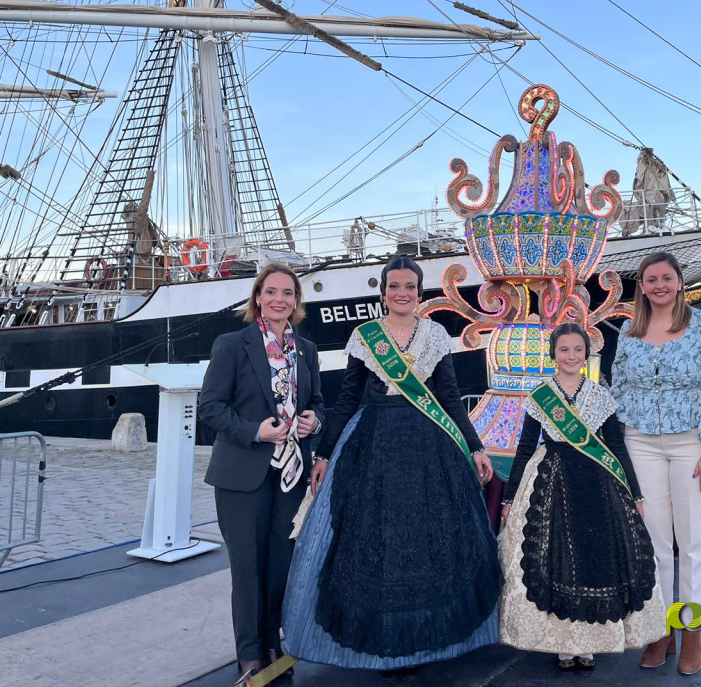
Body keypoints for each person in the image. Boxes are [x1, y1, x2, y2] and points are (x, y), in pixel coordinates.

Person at [281, 256, 499, 674]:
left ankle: (425, 641)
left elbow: (449, 397)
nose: (402, 293)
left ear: (419, 292)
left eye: (410, 287)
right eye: (394, 286)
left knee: (426, 539)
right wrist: (324, 454)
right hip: (375, 448)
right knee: (379, 540)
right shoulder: (365, 336)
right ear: (383, 293)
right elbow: (348, 398)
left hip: (428, 450)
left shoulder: (436, 334)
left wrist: (475, 447)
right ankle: (384, 639)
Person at [499, 322, 665, 673]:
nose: (571, 356)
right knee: (555, 561)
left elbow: (616, 446)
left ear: (586, 354)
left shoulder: (601, 396)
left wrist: (634, 493)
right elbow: (525, 448)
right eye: (564, 350)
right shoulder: (540, 396)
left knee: (593, 561)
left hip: (597, 484)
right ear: (553, 354)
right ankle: (563, 645)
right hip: (553, 483)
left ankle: (588, 644)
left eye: (578, 349)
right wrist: (509, 499)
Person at [611, 251, 701, 676]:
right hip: (641, 443)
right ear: (642, 286)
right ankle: (661, 630)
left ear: (680, 282)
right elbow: (619, 388)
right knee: (654, 546)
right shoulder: (630, 331)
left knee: (693, 544)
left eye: (666, 278)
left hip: (692, 444)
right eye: (651, 279)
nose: (659, 285)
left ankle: (691, 631)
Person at [200, 263, 325, 681]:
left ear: (296, 301)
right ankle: (250, 656)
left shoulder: (305, 350)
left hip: (289, 476)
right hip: (242, 476)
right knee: (248, 570)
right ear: (257, 297)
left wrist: (314, 422)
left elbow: (318, 403)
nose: (279, 300)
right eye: (271, 292)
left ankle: (274, 644)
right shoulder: (232, 345)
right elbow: (210, 407)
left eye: (287, 293)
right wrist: (256, 431)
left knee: (279, 568)